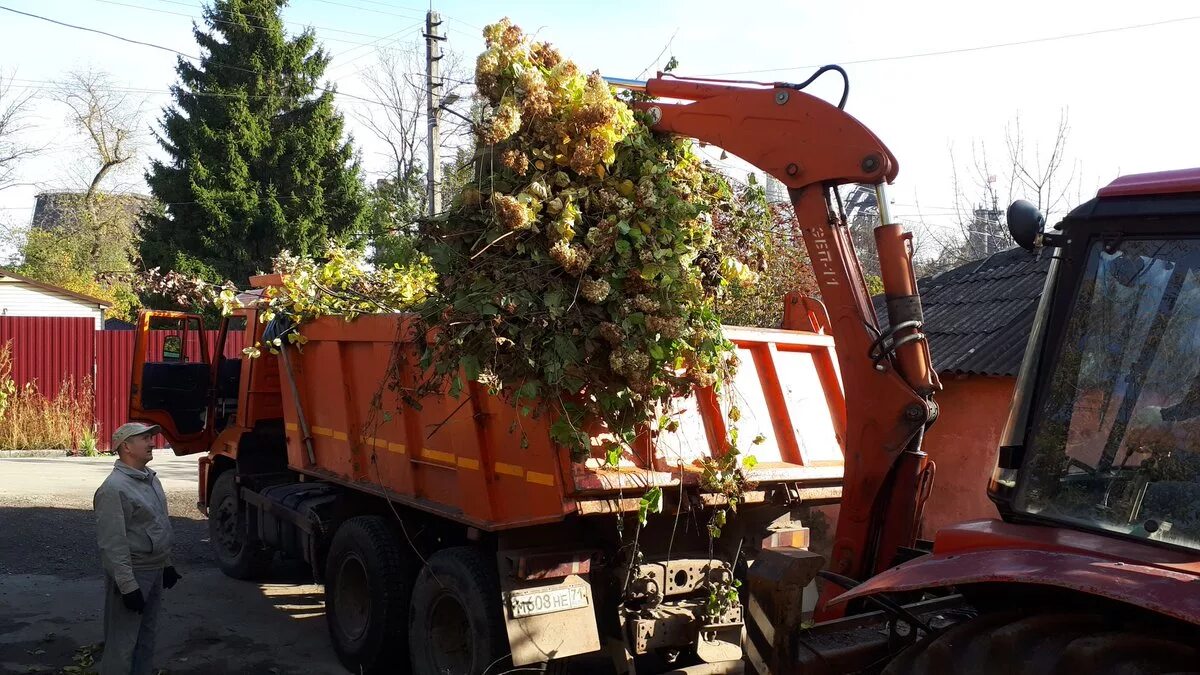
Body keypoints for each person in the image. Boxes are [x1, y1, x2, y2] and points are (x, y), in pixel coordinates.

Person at [94, 422, 182, 675]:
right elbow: (112, 542)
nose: (151, 442)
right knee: (123, 641)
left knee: (146, 635)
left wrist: (166, 564)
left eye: (150, 437)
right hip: (135, 573)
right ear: (126, 447)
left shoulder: (150, 479)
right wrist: (127, 585)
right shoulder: (114, 488)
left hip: (154, 569)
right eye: (144, 438)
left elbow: (157, 524)